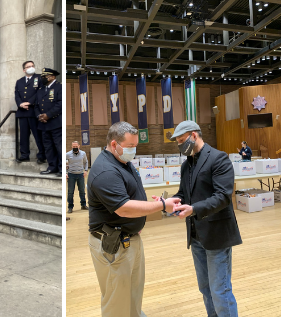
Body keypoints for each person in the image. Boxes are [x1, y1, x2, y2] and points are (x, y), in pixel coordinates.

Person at [87, 122, 179, 317]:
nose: (133, 151)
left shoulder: (122, 162)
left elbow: (130, 196)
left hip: (129, 240)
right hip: (113, 245)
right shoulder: (105, 171)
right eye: (130, 147)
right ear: (114, 144)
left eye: (135, 146)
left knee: (133, 294)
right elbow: (124, 208)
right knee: (117, 303)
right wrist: (162, 205)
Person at [166, 121, 242, 317]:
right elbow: (184, 193)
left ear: (194, 135)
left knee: (220, 290)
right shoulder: (187, 165)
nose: (179, 146)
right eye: (177, 143)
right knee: (206, 289)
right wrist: (170, 202)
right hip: (196, 235)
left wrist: (193, 209)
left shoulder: (218, 158)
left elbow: (223, 196)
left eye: (182, 141)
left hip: (217, 236)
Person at [15, 60, 46, 164]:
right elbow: (17, 95)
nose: (31, 68)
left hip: (34, 111)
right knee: (23, 135)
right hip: (22, 112)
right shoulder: (19, 81)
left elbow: (40, 92)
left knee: (38, 135)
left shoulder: (40, 78)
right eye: (28, 66)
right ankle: (24, 155)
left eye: (32, 66)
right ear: (24, 70)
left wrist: (29, 102)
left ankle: (42, 155)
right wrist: (20, 104)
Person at [35, 68, 62, 177]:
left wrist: (48, 115)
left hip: (55, 122)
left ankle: (61, 168)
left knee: (58, 146)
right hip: (43, 123)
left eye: (45, 76)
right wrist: (39, 116)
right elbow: (36, 105)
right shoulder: (41, 90)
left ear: (52, 76)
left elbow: (60, 104)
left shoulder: (59, 87)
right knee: (48, 147)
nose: (43, 78)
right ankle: (52, 167)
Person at [66, 141, 88, 214]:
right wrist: (65, 173)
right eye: (73, 146)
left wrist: (86, 170)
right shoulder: (68, 154)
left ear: (79, 146)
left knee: (82, 190)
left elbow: (86, 162)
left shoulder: (83, 153)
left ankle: (83, 205)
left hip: (80, 174)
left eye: (76, 146)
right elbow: (64, 163)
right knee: (70, 192)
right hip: (71, 174)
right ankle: (70, 207)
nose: (75, 147)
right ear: (71, 146)